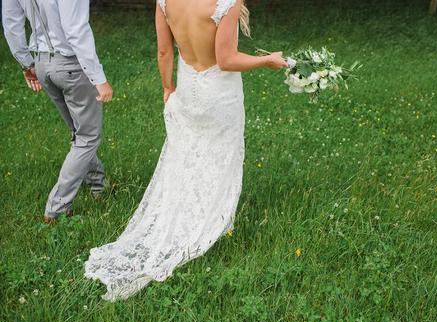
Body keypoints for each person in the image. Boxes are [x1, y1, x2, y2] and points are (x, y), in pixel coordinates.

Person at [84, 0, 287, 301]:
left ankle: (189, 212)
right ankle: (208, 221)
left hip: (187, 89)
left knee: (188, 156)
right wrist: (267, 61)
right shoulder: (226, 3)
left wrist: (168, 88)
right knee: (220, 158)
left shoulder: (165, 1)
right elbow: (227, 59)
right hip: (219, 94)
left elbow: (164, 51)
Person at [2, 0, 113, 224]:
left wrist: (26, 63)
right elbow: (75, 29)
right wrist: (98, 78)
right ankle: (56, 209)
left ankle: (99, 185)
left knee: (78, 132)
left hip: (43, 63)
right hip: (70, 64)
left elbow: (11, 23)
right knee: (88, 137)